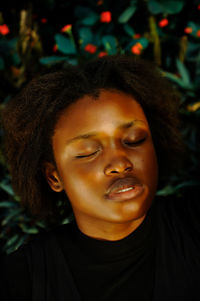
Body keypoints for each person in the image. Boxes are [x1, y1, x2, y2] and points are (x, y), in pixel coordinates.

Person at [0, 54, 199, 301]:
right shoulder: (23, 280)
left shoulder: (191, 227)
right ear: (54, 177)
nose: (120, 163)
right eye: (88, 153)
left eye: (134, 140)